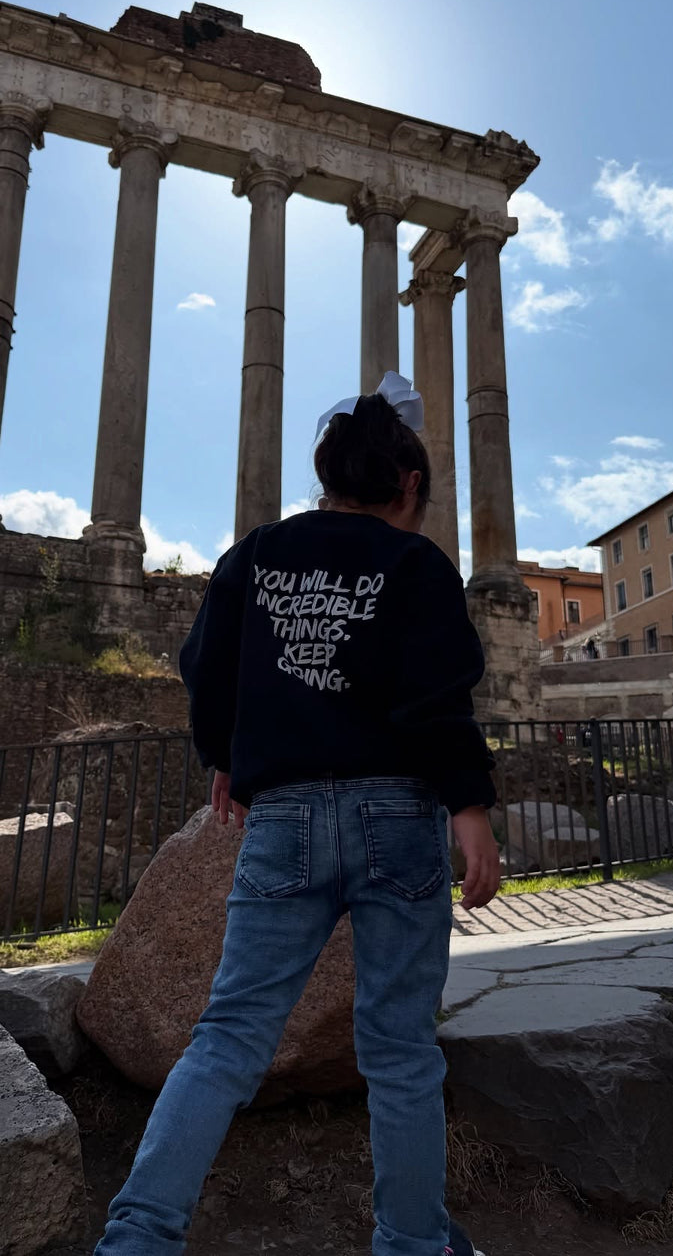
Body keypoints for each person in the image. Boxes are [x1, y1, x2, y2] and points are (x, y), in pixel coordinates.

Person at [94, 374, 500, 1256]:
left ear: (328, 478)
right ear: (409, 488)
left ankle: (137, 1239)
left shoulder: (257, 555)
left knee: (229, 1036)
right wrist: (470, 806)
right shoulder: (418, 565)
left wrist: (227, 756)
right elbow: (440, 697)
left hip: (280, 820)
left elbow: (205, 665)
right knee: (398, 1051)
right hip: (398, 812)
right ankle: (411, 1243)